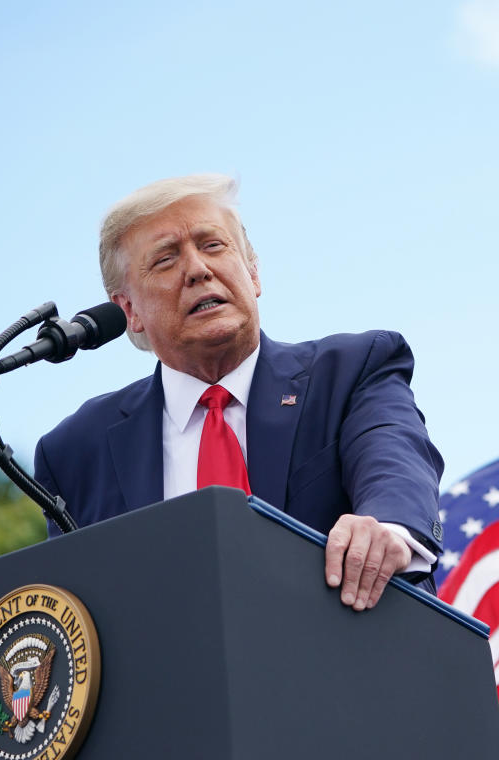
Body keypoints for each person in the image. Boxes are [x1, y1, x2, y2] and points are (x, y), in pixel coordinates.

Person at [33, 174, 445, 610]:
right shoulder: (78, 451)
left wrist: (387, 528)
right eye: (166, 259)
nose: (197, 269)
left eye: (213, 245)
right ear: (130, 310)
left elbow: (395, 464)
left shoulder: (349, 372)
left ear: (253, 272)